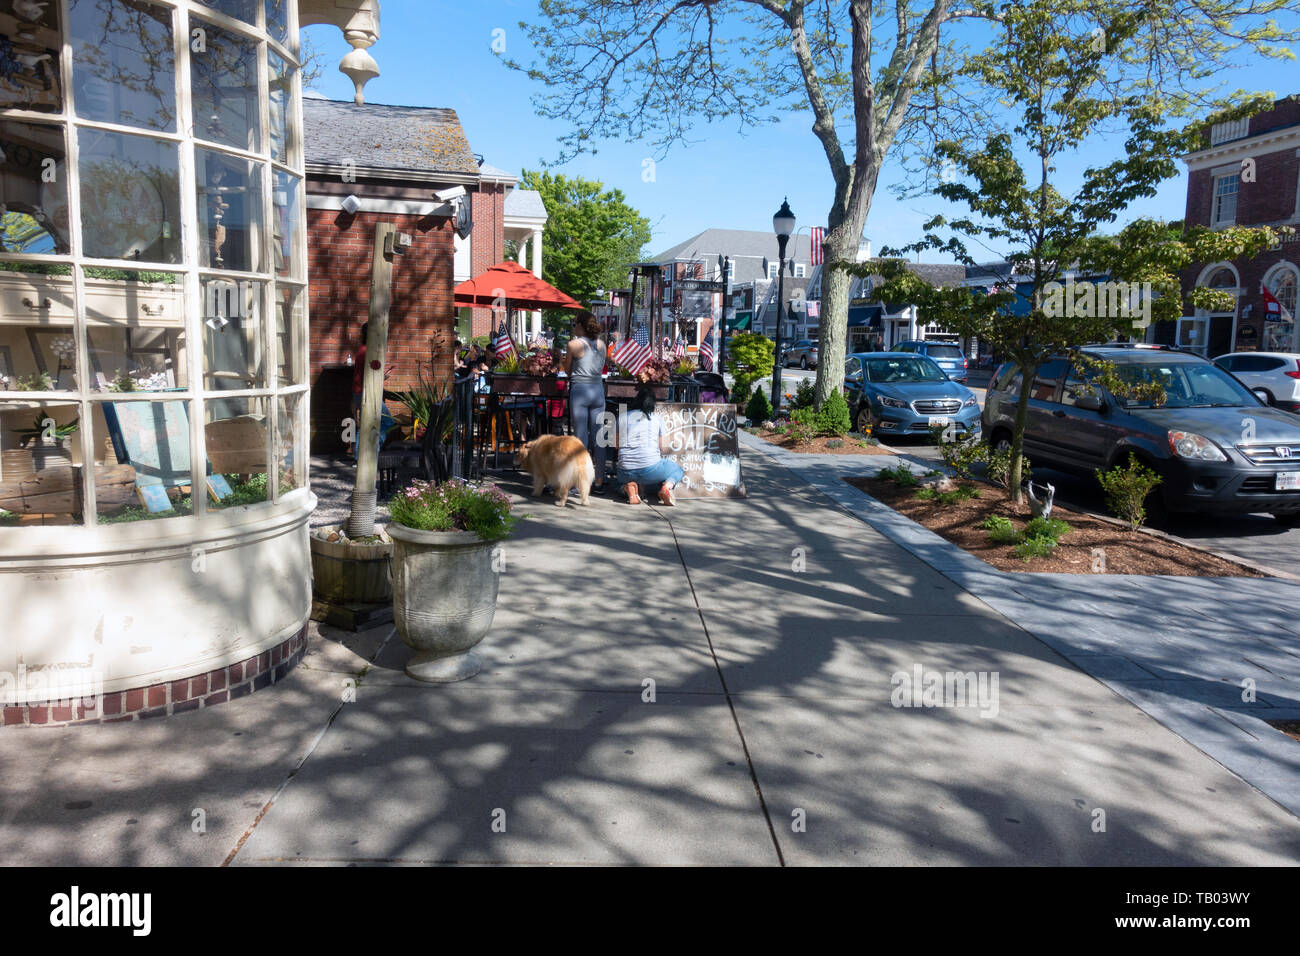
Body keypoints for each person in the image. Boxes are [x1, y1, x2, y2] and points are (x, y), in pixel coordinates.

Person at [616, 384, 683, 506]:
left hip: (625, 470)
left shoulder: (622, 417)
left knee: (616, 484)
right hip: (650, 470)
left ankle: (627, 488)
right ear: (652, 404)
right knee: (677, 470)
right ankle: (666, 488)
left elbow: (616, 446)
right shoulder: (656, 419)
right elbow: (661, 447)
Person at [562, 311, 609, 489]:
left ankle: (579, 481)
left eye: (575, 324)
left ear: (581, 325)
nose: (574, 328)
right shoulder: (602, 345)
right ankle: (599, 479)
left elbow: (567, 370)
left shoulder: (573, 345)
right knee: (599, 437)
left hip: (580, 391)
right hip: (597, 391)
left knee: (580, 437)